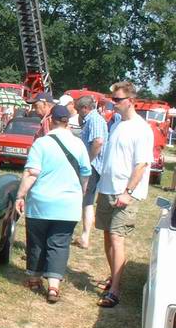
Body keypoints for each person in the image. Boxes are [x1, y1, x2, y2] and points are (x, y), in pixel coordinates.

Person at [15, 105, 91, 303]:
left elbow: (32, 173)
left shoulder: (41, 144)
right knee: (59, 243)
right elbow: (85, 174)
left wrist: (20, 196)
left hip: (41, 202)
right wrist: (80, 192)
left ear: (50, 120)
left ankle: (34, 279)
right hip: (68, 204)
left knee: (37, 241)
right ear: (67, 121)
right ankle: (54, 287)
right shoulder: (79, 144)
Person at [95, 81, 154, 308]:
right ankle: (113, 278)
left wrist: (128, 192)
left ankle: (116, 291)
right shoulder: (118, 124)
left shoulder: (141, 129)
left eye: (118, 100)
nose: (114, 103)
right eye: (113, 99)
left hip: (125, 194)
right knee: (108, 236)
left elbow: (141, 165)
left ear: (131, 101)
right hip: (108, 189)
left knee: (118, 239)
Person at [74, 95, 108, 249]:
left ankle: (85, 236)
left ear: (85, 108)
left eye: (78, 109)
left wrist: (87, 161)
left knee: (86, 200)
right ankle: (84, 235)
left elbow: (98, 141)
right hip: (93, 166)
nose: (77, 113)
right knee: (86, 201)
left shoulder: (94, 120)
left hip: (92, 166)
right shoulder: (93, 119)